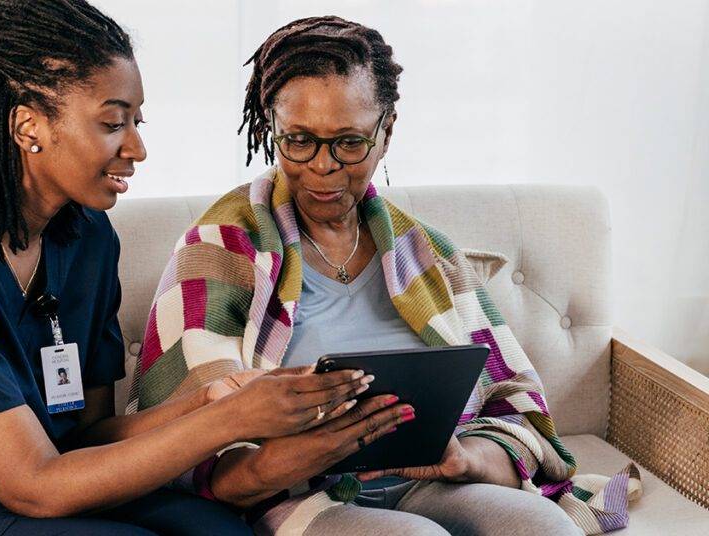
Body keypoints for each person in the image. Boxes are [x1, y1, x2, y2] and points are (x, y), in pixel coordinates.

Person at [0, 3, 370, 535]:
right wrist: (229, 423)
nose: (136, 147)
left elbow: (84, 437)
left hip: (15, 492)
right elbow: (33, 483)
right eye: (113, 123)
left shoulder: (86, 239)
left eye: (137, 122)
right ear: (29, 125)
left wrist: (215, 398)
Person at [132, 16, 638, 536]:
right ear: (272, 128)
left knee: (545, 527)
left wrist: (463, 459)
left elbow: (515, 410)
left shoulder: (428, 254)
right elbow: (190, 445)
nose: (323, 166)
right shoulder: (218, 248)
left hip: (433, 482)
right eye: (299, 140)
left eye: (349, 143)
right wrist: (295, 455)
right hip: (300, 496)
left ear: (386, 132)